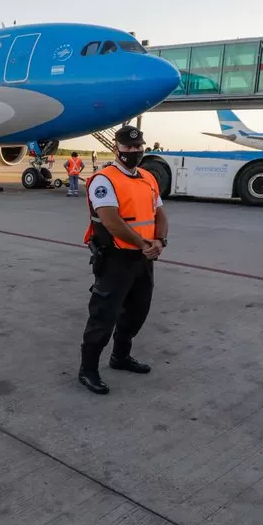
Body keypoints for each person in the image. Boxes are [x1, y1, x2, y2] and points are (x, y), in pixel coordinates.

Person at [78, 125, 168, 395]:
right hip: (116, 258)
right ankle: (88, 369)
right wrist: (144, 244)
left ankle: (120, 357)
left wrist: (160, 240)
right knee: (103, 315)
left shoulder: (148, 177)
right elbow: (111, 221)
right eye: (128, 147)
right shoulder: (104, 179)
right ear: (117, 148)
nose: (134, 151)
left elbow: (160, 214)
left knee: (137, 312)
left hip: (143, 258)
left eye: (138, 146)